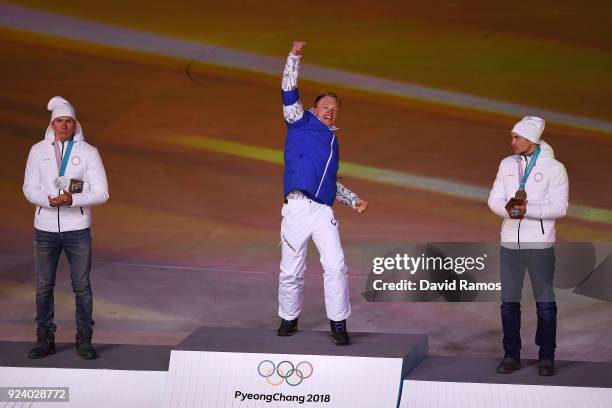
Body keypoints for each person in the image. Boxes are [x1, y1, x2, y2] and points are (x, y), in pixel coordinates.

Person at [278, 41, 368, 345]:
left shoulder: (333, 143)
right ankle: (288, 319)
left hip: (322, 211)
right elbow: (289, 88)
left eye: (335, 109)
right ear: (314, 109)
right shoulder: (298, 121)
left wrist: (352, 199)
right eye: (326, 106)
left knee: (336, 266)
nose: (331, 111)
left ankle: (339, 323)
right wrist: (295, 56)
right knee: (291, 269)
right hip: (296, 208)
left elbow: (329, 181)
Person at [23, 96, 109, 360]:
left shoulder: (88, 153)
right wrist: (47, 201)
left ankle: (84, 340)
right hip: (45, 228)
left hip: (77, 229)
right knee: (43, 286)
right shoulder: (37, 151)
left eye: (68, 121)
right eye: (59, 121)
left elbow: (102, 192)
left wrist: (73, 197)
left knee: (81, 286)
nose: (63, 126)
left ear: (75, 124)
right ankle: (45, 339)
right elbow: (29, 188)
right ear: (51, 124)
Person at [488, 116, 568, 376]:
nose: (512, 142)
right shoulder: (506, 164)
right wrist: (509, 211)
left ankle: (547, 357)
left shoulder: (555, 168)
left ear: (531, 139)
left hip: (540, 244)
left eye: (517, 137)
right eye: (512, 136)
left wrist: (526, 210)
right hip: (510, 243)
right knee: (509, 303)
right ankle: (511, 355)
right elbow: (494, 199)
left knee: (545, 304)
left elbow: (560, 207)